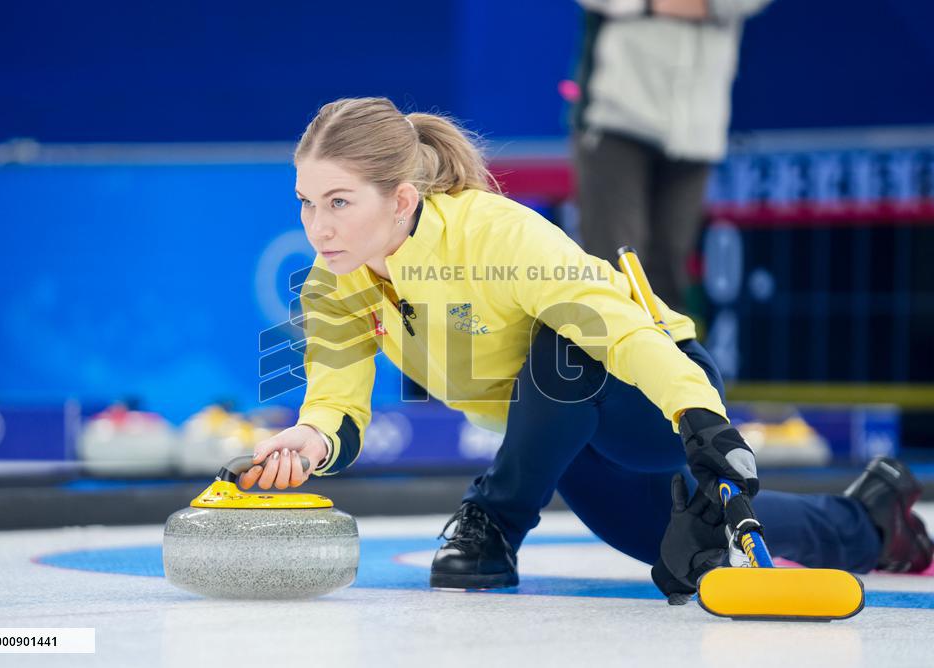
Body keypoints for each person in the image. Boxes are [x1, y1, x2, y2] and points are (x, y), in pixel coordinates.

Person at [240, 97, 932, 598]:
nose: (316, 227)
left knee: (560, 347)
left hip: (653, 387)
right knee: (667, 538)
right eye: (305, 202)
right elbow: (337, 406)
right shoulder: (331, 287)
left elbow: (616, 331)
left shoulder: (496, 235)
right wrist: (309, 443)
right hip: (560, 429)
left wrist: (699, 416)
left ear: (399, 199)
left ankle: (492, 523)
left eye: (338, 202)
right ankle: (871, 522)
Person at [570, 0, 773, 311]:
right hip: (615, 119)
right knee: (615, 267)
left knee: (670, 269)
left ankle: (664, 359)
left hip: (697, 129)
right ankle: (609, 358)